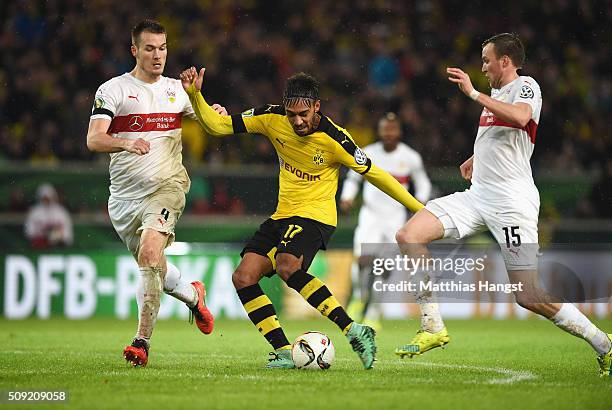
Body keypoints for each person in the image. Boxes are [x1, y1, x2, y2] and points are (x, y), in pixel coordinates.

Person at [394, 33, 611, 376]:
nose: (482, 67)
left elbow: (522, 117)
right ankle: (432, 326)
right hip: (478, 195)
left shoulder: (526, 85)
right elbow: (501, 134)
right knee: (409, 235)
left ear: (505, 61)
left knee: (528, 295)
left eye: (486, 60)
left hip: (512, 201)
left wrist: (473, 94)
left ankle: (605, 344)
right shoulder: (495, 94)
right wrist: (474, 156)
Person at [180, 67, 424, 369]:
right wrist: (194, 95)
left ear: (317, 107)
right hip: (283, 215)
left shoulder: (336, 139)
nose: (297, 121)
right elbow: (218, 126)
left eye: (304, 114)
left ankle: (353, 329)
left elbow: (376, 174)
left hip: (316, 215)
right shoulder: (271, 118)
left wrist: (418, 208)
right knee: (243, 277)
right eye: (292, 113)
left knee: (286, 264)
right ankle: (284, 350)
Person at [86, 19, 220, 367]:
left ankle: (141, 342)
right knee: (154, 264)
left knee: (149, 254)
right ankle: (193, 295)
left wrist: (206, 105)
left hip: (167, 187)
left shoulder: (177, 90)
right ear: (135, 50)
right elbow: (94, 139)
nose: (158, 55)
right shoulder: (113, 89)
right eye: (149, 48)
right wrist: (125, 142)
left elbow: (211, 123)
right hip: (124, 199)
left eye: (162, 48)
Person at [340, 112, 431, 329]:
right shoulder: (368, 153)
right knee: (363, 261)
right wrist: (347, 197)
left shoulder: (410, 157)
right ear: (379, 131)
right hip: (370, 216)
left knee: (383, 268)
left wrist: (419, 202)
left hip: (395, 219)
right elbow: (353, 178)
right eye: (385, 129)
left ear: (399, 132)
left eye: (393, 129)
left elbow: (423, 183)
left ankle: (373, 313)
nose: (389, 133)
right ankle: (360, 297)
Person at [25, 183, 73, 248]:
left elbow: (67, 234)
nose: (47, 200)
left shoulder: (61, 211)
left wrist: (55, 236)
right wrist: (43, 236)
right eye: (44, 198)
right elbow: (29, 232)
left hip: (58, 247)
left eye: (49, 197)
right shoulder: (34, 212)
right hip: (39, 247)